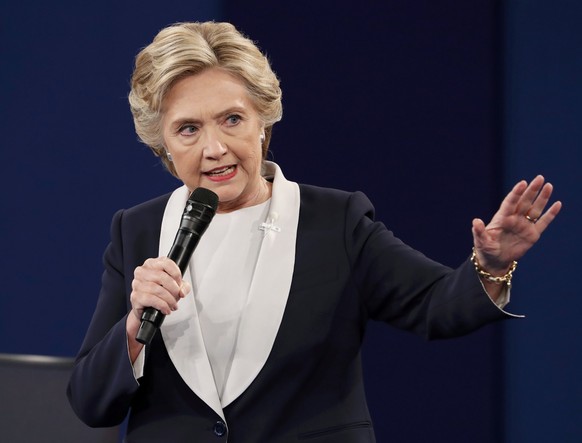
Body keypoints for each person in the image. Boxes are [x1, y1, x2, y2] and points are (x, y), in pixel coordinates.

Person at [67, 21, 561, 443]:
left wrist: (493, 266)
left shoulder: (334, 220)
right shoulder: (137, 230)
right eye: (188, 129)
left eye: (232, 120)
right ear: (163, 145)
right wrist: (133, 331)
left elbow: (437, 305)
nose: (214, 148)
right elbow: (90, 402)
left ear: (264, 121)